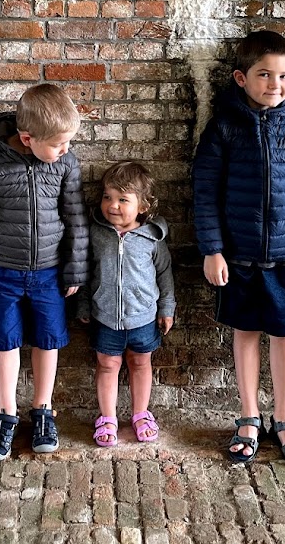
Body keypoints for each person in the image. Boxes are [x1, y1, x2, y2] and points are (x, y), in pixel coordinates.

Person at [193, 30, 285, 467]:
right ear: (241, 78)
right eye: (265, 75)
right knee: (246, 333)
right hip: (238, 257)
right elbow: (204, 192)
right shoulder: (223, 129)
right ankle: (249, 416)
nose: (276, 84)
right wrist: (212, 249)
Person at [0, 83, 89, 460]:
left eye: (68, 143)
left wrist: (74, 270)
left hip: (50, 273)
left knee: (48, 340)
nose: (65, 150)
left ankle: (43, 409)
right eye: (58, 144)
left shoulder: (66, 164)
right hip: (3, 273)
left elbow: (76, 220)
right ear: (28, 138)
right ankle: (6, 413)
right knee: (5, 340)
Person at [81, 161, 175, 447]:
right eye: (108, 197)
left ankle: (140, 414)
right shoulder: (96, 234)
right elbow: (86, 271)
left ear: (143, 206)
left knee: (140, 362)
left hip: (144, 316)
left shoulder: (152, 238)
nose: (113, 205)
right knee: (107, 364)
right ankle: (107, 417)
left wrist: (166, 309)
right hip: (105, 316)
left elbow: (165, 274)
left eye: (123, 199)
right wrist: (84, 306)